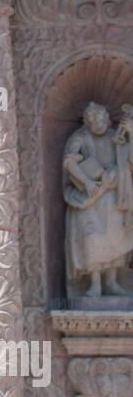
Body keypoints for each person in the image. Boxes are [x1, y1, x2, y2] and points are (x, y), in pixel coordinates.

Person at [63, 101, 133, 299]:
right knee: (91, 238)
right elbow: (69, 161)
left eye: (101, 118)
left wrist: (131, 133)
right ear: (87, 122)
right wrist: (87, 182)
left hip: (113, 197)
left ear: (107, 119)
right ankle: (94, 283)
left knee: (115, 237)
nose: (98, 122)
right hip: (90, 198)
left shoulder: (115, 137)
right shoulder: (80, 138)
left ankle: (111, 282)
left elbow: (131, 162)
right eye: (93, 119)